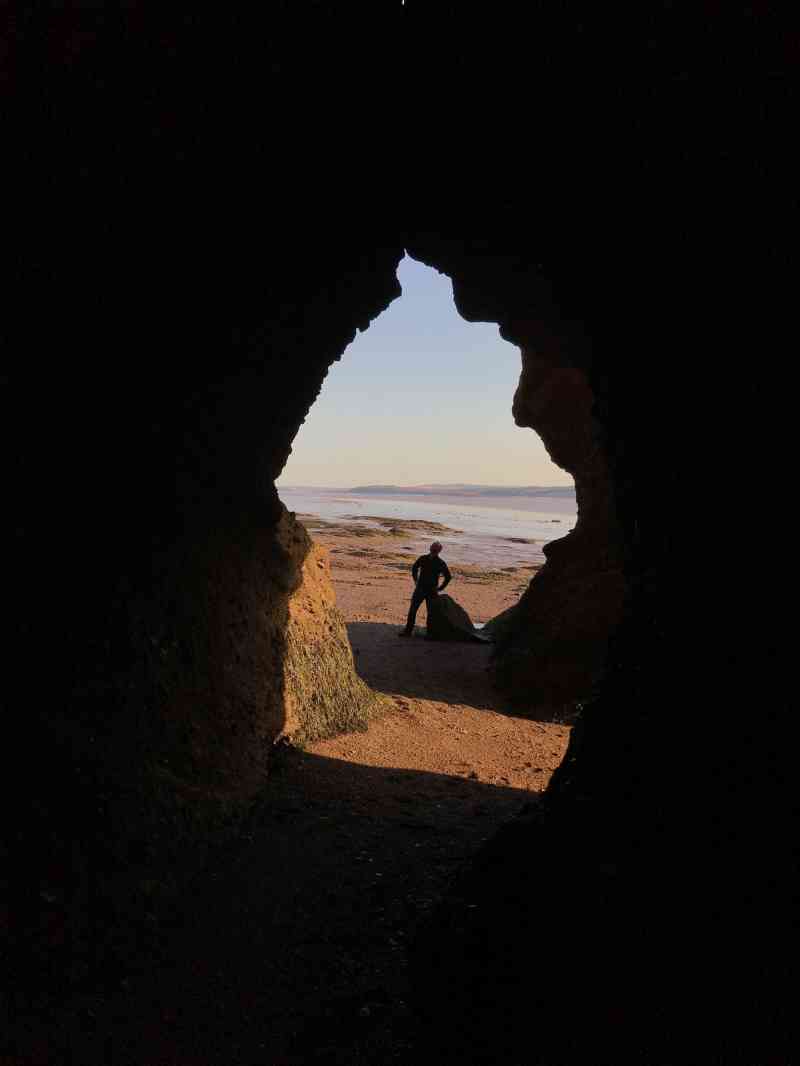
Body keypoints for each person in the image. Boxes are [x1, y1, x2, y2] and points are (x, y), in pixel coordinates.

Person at [398, 541, 451, 636]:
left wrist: (440, 588)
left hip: (431, 591)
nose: (434, 550)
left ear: (439, 551)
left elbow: (448, 577)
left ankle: (430, 634)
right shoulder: (423, 558)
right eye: (433, 548)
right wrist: (416, 580)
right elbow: (414, 568)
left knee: (430, 613)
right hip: (421, 589)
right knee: (413, 610)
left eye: (436, 549)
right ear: (430, 548)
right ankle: (408, 631)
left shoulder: (440, 562)